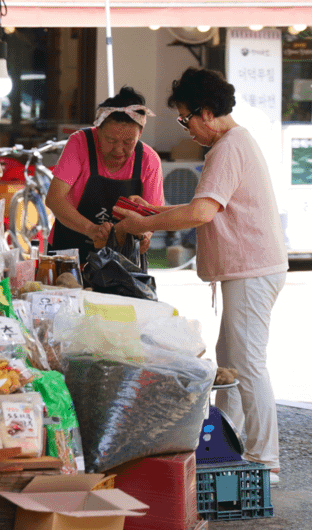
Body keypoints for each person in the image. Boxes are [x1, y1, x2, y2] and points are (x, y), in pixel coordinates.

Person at [113, 67, 287, 486]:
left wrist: (140, 224)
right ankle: (224, 445)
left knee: (247, 365)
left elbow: (201, 213)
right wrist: (151, 212)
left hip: (252, 268)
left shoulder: (229, 147)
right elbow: (207, 207)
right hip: (248, 269)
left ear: (207, 113)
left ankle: (266, 459)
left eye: (185, 117)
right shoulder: (234, 144)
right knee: (231, 364)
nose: (186, 127)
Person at [45, 86, 164, 265]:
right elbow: (54, 199)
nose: (118, 150)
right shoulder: (80, 143)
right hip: (70, 250)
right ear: (97, 130)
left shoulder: (149, 160)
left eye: (128, 142)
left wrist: (145, 236)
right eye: (110, 140)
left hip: (124, 258)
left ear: (140, 134)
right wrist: (91, 230)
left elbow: (153, 214)